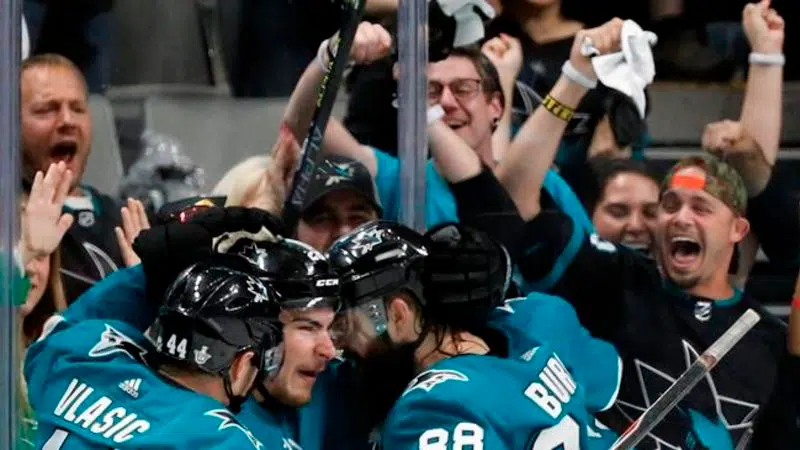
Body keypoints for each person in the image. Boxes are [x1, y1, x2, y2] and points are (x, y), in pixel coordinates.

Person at [327, 221, 623, 449]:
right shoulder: (534, 322)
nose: (337, 343)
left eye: (348, 325)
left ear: (398, 315)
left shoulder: (430, 410)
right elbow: (612, 385)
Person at [283, 22, 593, 231]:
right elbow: (304, 122)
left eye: (463, 89)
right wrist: (331, 55)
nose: (445, 102)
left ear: (496, 106)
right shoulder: (400, 180)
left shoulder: (543, 184)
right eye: (429, 92)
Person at [24, 251, 282, 449]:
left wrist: (146, 274)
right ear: (240, 365)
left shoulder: (82, 353)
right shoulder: (222, 440)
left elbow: (58, 330)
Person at [21, 53, 132, 302]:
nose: (67, 120)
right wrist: (24, 256)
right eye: (46, 110)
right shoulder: (9, 223)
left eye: (78, 108)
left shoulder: (128, 219)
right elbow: (12, 303)